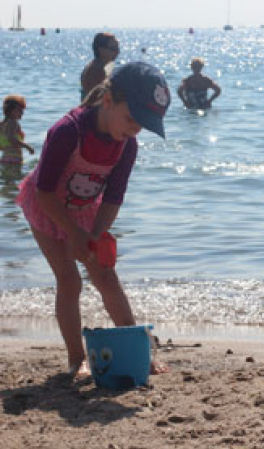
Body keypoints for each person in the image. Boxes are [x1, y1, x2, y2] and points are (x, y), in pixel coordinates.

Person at [16, 61, 171, 377]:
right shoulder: (67, 132)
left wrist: (96, 234)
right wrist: (73, 233)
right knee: (69, 280)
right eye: (131, 119)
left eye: (141, 125)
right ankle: (77, 359)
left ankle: (139, 352)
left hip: (86, 211)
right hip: (47, 207)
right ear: (109, 101)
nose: (133, 129)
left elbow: (113, 197)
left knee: (106, 276)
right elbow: (45, 192)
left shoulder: (127, 146)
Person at [80, 33, 120, 100]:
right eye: (113, 48)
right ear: (101, 50)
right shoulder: (96, 71)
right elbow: (97, 99)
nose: (117, 52)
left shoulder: (97, 66)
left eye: (117, 48)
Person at [0, 95, 35, 165]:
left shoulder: (2, 124)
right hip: (14, 159)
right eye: (20, 110)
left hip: (5, 158)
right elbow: (11, 138)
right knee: (17, 175)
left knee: (8, 175)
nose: (22, 113)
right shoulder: (13, 123)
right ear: (11, 111)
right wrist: (27, 146)